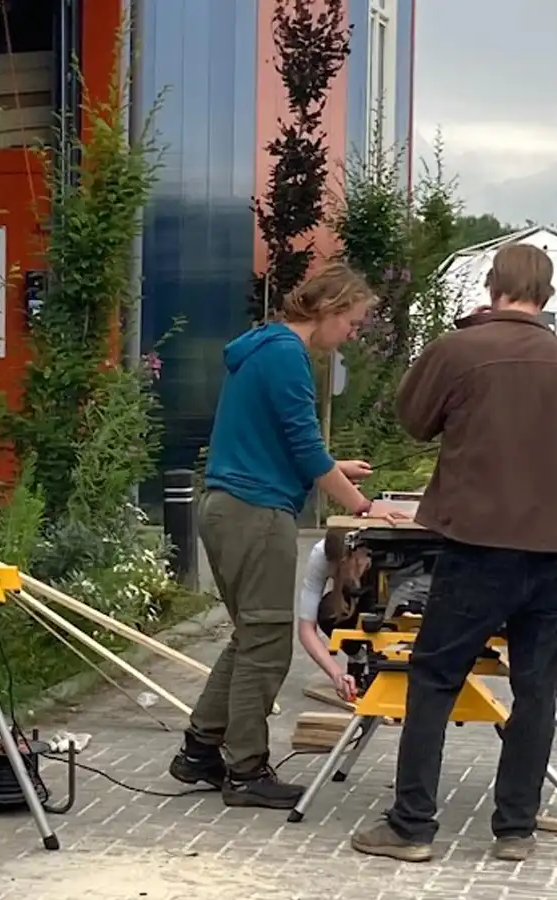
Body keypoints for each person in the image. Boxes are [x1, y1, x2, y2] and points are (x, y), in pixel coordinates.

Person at [351, 243, 557, 863]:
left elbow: (415, 420)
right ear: (547, 295)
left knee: (435, 677)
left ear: (492, 287)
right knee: (537, 688)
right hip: (552, 551)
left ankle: (412, 825)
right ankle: (515, 829)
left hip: (477, 546)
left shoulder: (458, 349)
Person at [167, 262, 376, 809]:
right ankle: (246, 771)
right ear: (329, 309)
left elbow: (278, 440)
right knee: (266, 643)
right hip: (255, 512)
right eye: (352, 322)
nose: (351, 335)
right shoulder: (287, 355)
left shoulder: (263, 345)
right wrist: (363, 507)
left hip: (230, 504)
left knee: (251, 635)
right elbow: (304, 449)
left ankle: (200, 750)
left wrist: (335, 468)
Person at [297, 528, 372, 704]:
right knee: (328, 611)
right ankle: (358, 657)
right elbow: (306, 629)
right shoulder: (320, 555)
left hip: (385, 589)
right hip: (350, 598)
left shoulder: (377, 550)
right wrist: (336, 674)